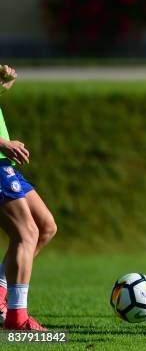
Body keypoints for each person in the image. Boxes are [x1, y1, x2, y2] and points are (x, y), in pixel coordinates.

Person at [0, 65, 57, 331]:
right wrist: (3, 144)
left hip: (3, 163)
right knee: (26, 233)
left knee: (45, 226)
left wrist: (3, 81)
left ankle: (1, 293)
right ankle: (17, 318)